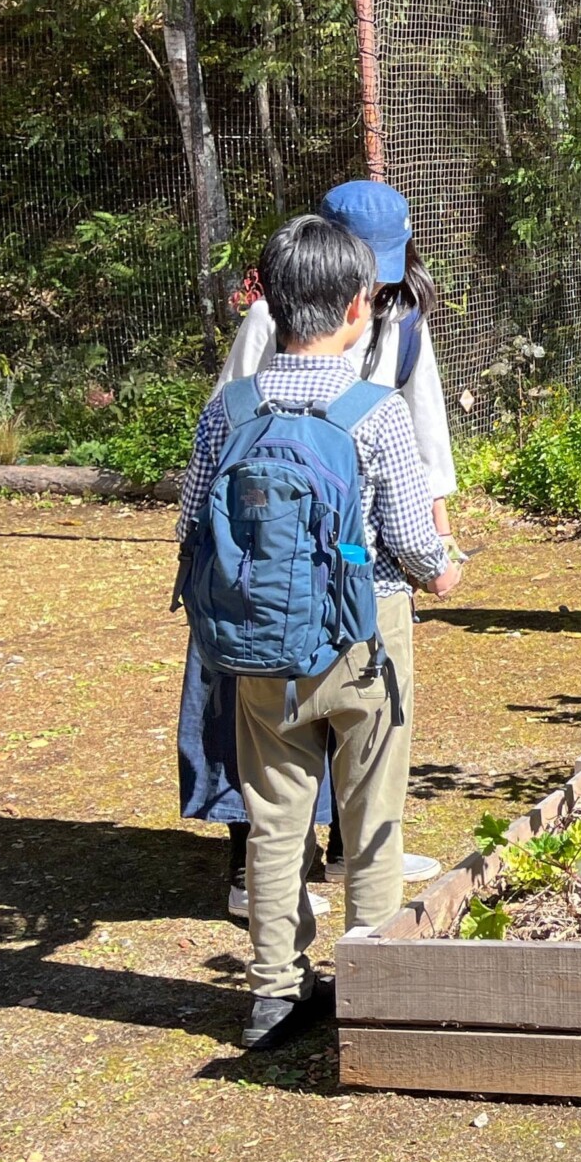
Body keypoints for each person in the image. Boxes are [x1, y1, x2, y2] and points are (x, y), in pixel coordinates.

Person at [174, 215, 460, 1048]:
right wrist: (449, 567)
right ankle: (373, 988)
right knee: (372, 818)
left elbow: (192, 524)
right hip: (365, 634)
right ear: (356, 308)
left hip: (258, 646)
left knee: (274, 817)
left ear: (270, 302)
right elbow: (412, 544)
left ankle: (272, 996)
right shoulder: (374, 412)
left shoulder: (227, 408)